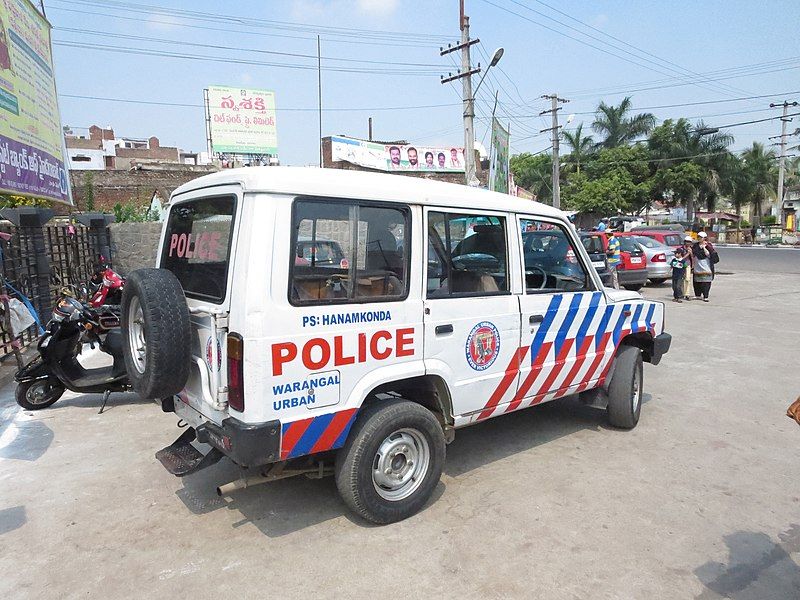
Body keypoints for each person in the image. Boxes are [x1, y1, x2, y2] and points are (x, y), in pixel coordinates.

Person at [692, 233, 715, 302]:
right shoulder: (696, 245)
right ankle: (698, 295)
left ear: (705, 238)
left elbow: (711, 255)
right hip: (697, 267)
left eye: (700, 237)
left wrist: (704, 248)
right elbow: (694, 253)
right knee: (697, 282)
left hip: (706, 267)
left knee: (706, 282)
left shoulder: (709, 246)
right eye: (698, 237)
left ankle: (705, 296)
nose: (699, 238)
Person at [670, 237, 693, 302]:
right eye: (686, 241)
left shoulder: (691, 248)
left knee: (687, 279)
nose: (688, 243)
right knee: (677, 284)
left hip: (687, 265)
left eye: (689, 242)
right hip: (679, 267)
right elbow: (681, 258)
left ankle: (687, 294)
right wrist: (688, 253)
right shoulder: (681, 249)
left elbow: (692, 257)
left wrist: (691, 253)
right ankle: (680, 294)